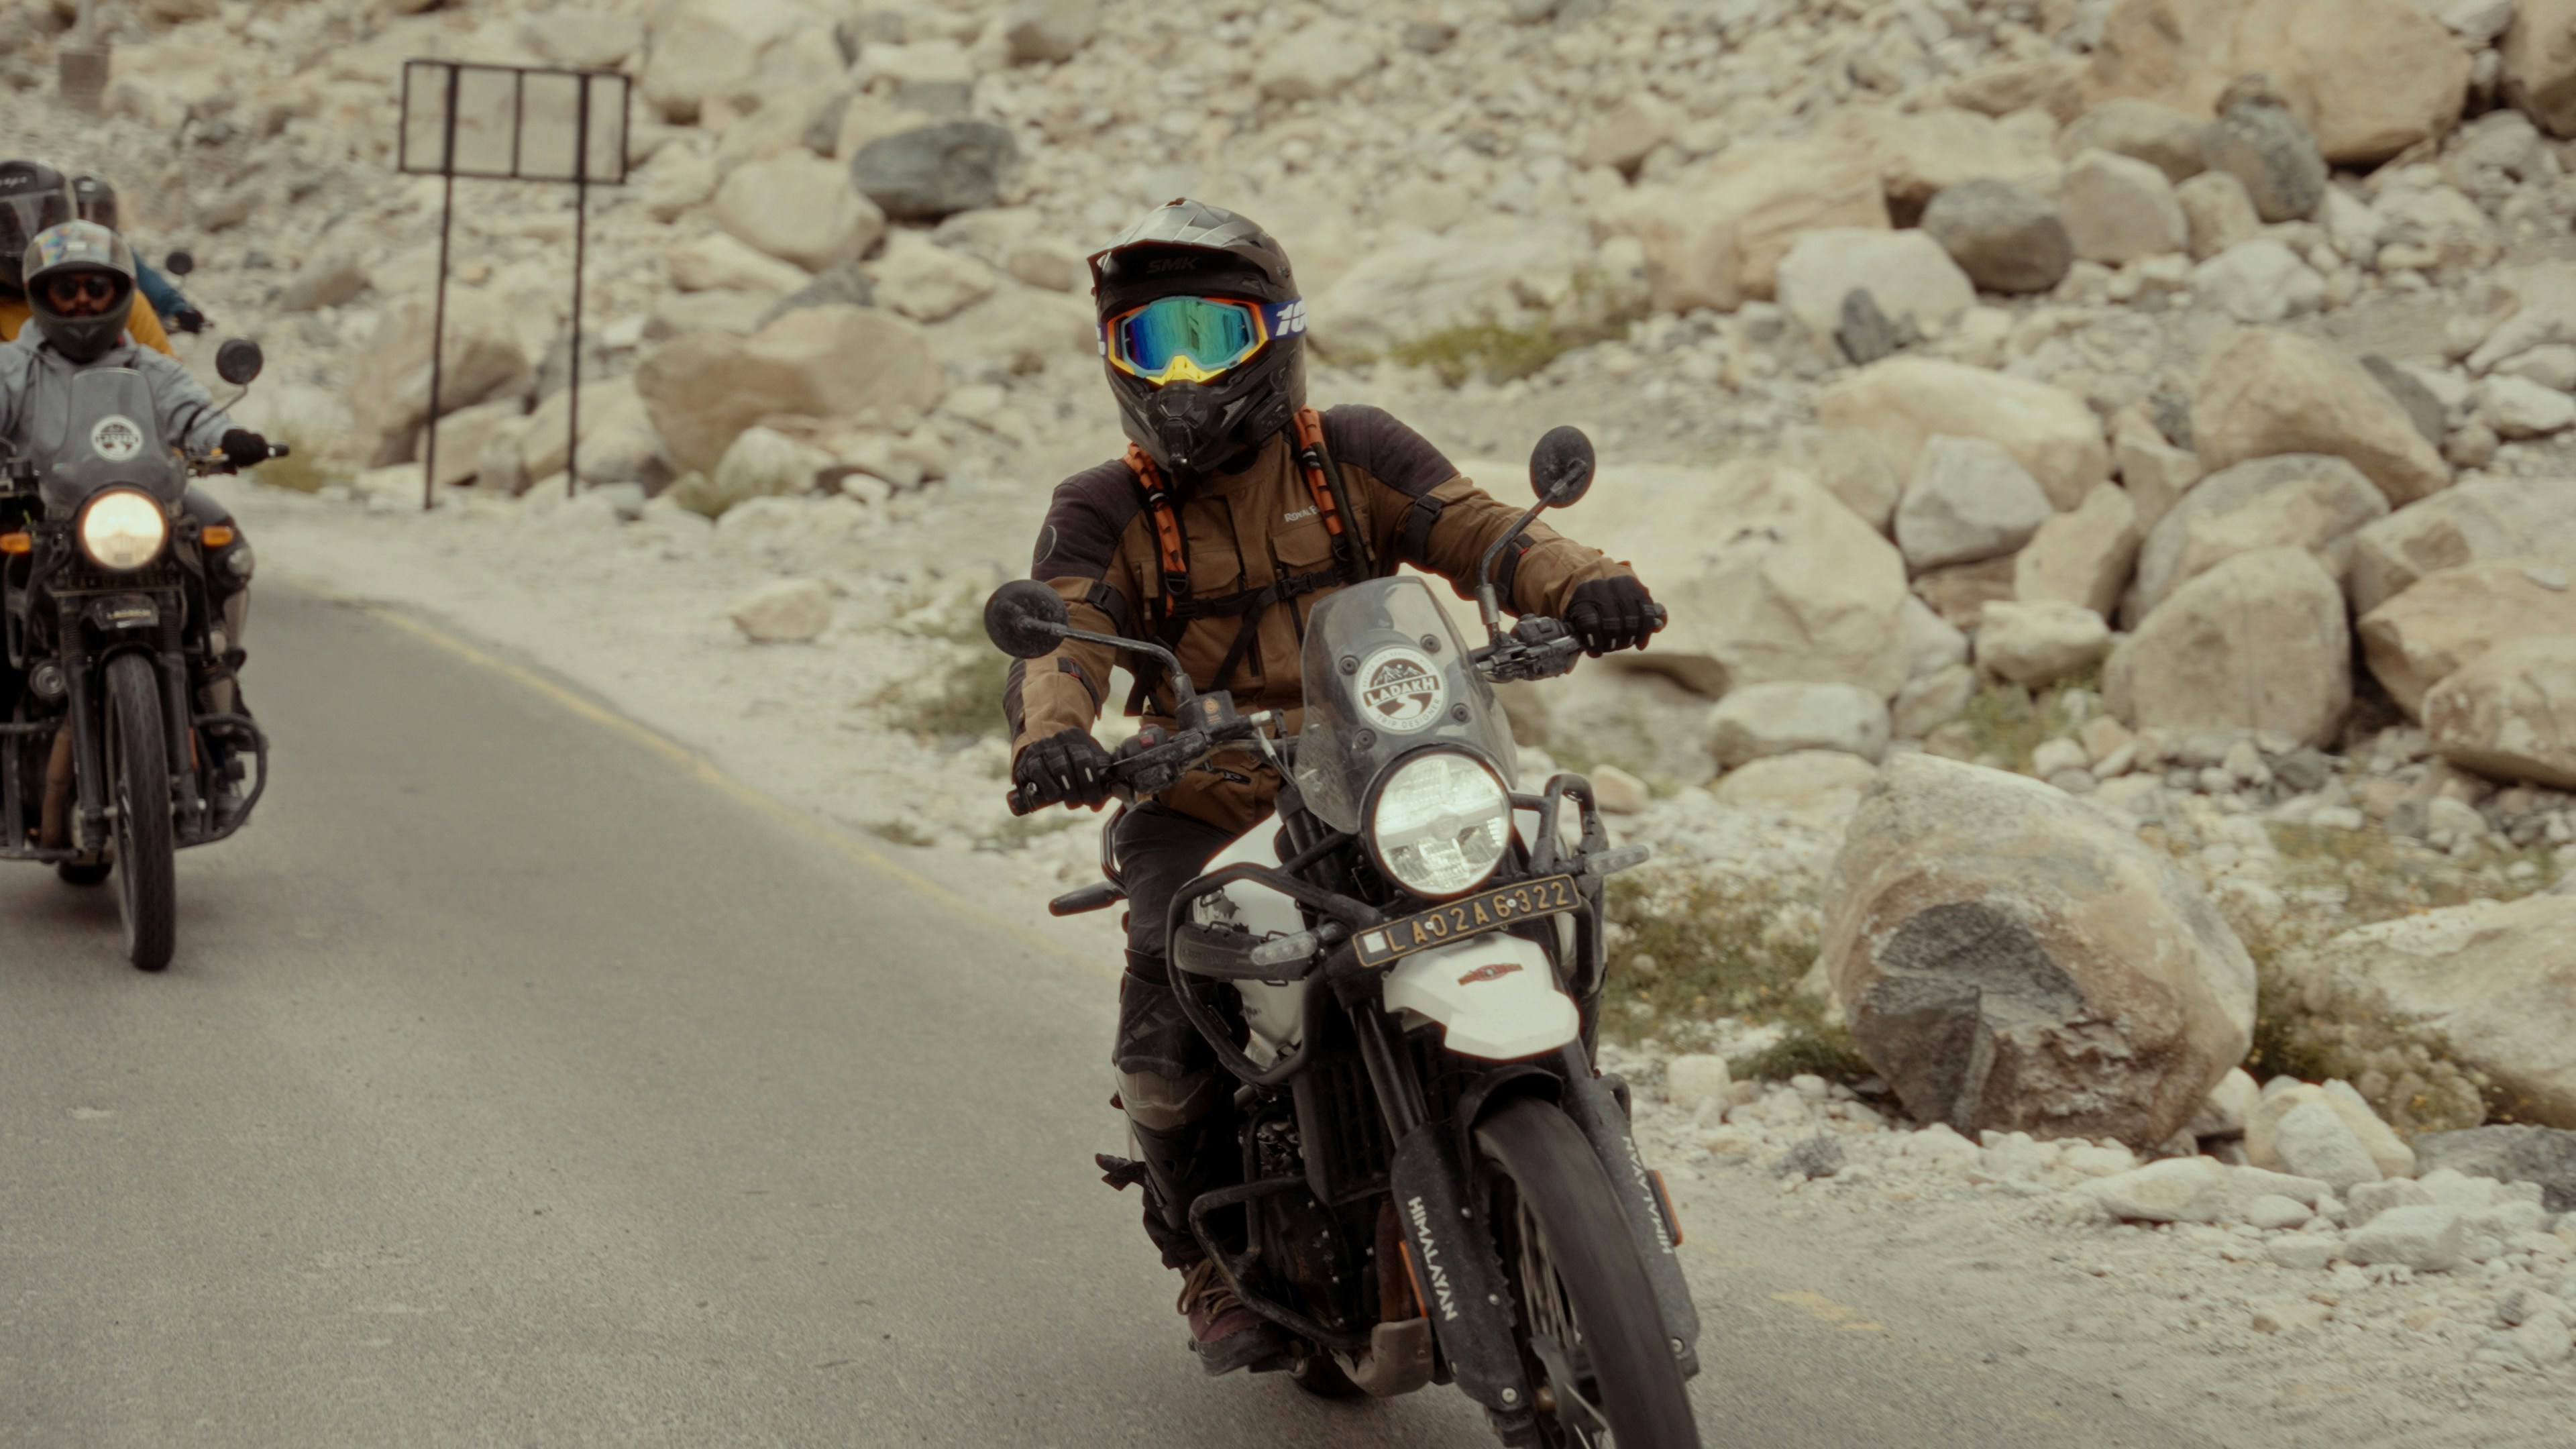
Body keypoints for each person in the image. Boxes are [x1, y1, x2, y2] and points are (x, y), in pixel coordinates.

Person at [1002, 199, 1664, 1375]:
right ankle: (1205, 1257)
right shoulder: (1103, 506)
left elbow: (1484, 532)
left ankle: (1574, 1126)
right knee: (1167, 1008)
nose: (1185, 373)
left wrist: (1584, 582)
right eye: (1153, 344)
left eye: (1213, 334)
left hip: (1383, 772)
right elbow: (1065, 637)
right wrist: (1056, 736)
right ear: (1114, 360)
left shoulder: (1352, 448)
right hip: (1205, 800)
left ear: (1281, 332)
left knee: (1548, 884)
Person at [0, 221, 266, 819]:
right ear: (40, 294)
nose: (82, 302)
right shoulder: (14, 366)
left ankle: (220, 729)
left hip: (135, 514)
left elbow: (194, 414)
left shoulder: (149, 367)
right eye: (67, 289)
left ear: (121, 292)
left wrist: (228, 438)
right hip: (46, 521)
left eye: (96, 287)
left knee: (217, 557)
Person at [0, 160, 177, 357]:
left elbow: (167, 370)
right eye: (8, 227)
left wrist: (176, 306)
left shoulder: (124, 303)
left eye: (96, 288)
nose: (82, 299)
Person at [68, 172, 205, 335]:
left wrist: (178, 309)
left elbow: (148, 279)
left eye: (98, 214)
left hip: (120, 332)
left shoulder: (117, 248)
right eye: (81, 214)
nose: (90, 222)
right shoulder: (54, 248)